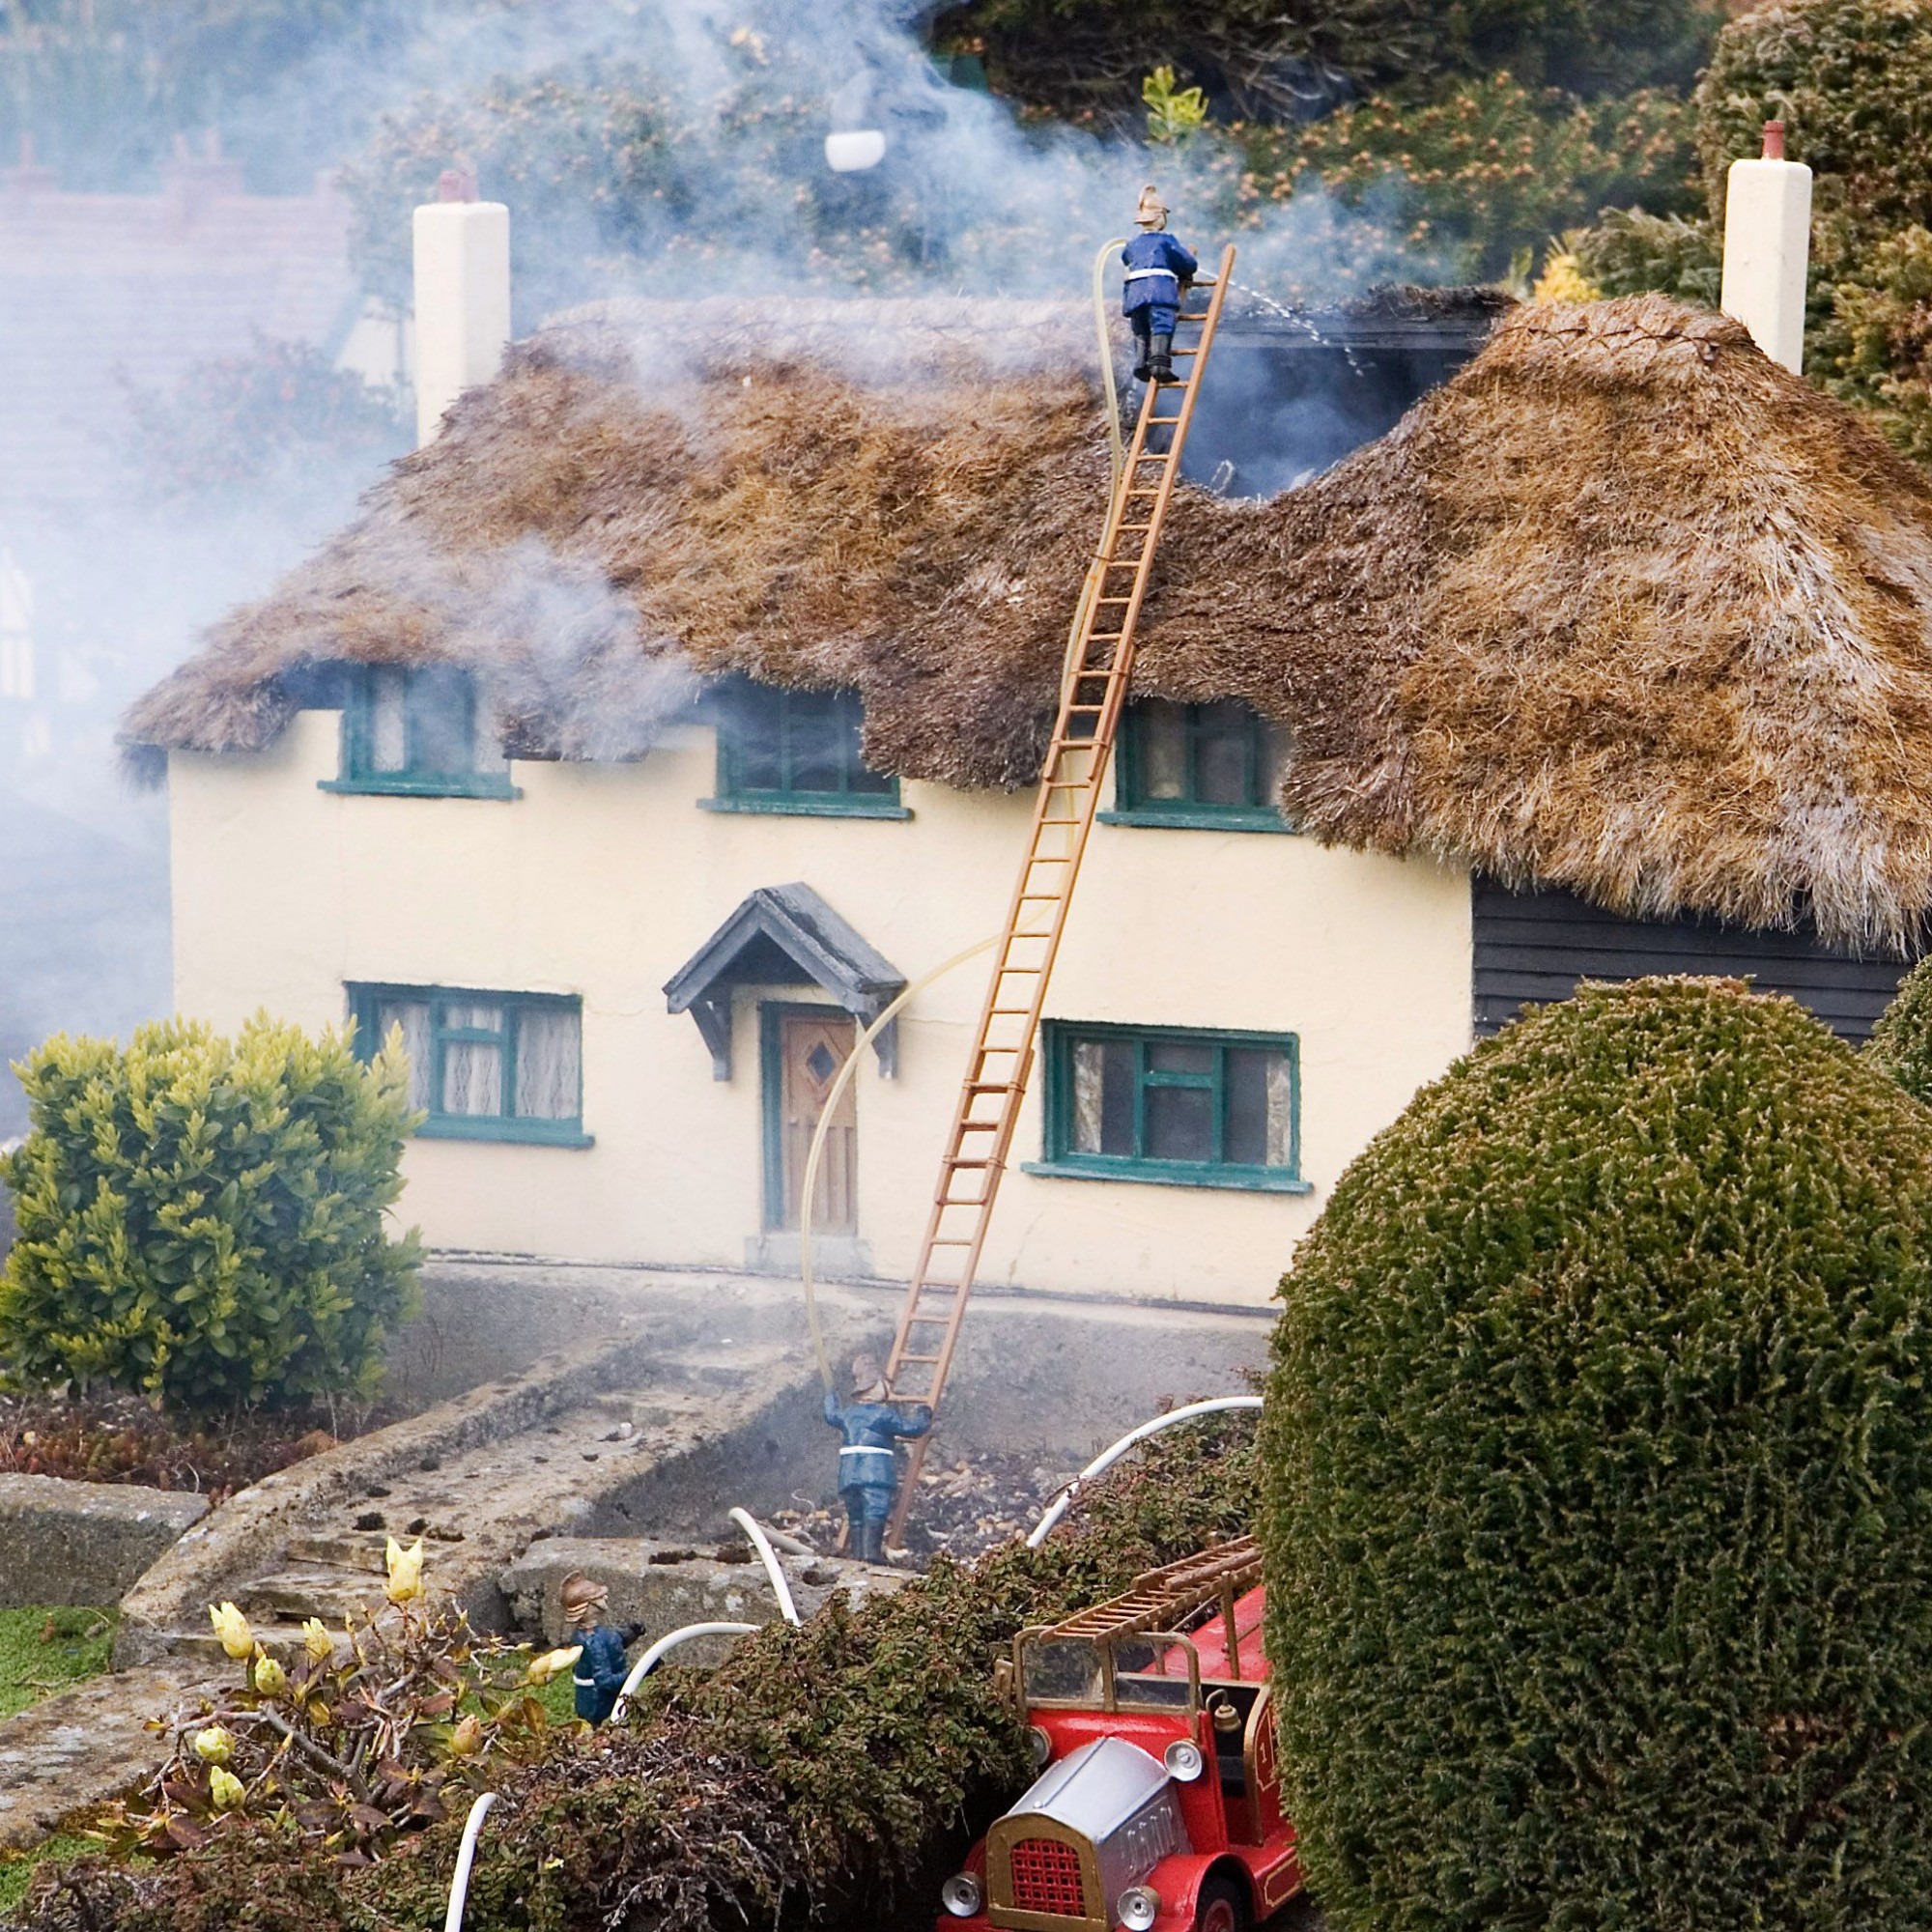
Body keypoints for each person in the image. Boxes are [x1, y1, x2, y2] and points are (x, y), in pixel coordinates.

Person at [822, 1350, 932, 1564]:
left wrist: (830, 1397)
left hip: (848, 1473)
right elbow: (911, 1428)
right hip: (874, 1472)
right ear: (876, 1386)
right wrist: (924, 1414)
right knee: (875, 1509)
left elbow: (831, 1415)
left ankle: (857, 1553)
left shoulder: (849, 1414)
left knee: (855, 1513)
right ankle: (870, 1553)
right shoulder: (883, 1414)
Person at [1121, 185, 1199, 386]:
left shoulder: (1132, 244)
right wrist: (1187, 267)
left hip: (1134, 295)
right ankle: (1160, 366)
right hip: (1159, 292)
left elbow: (1125, 258)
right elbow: (1187, 263)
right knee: (1161, 324)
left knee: (1140, 328)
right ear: (1158, 217)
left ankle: (1141, 364)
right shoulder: (1166, 241)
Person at [560, 1572, 638, 1724]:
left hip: (589, 1701)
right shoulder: (593, 1642)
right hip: (600, 1704)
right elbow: (606, 1681)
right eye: (599, 1597)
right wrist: (637, 1672)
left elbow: (612, 1643)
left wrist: (630, 1634)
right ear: (588, 1606)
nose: (605, 1598)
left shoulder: (586, 1635)